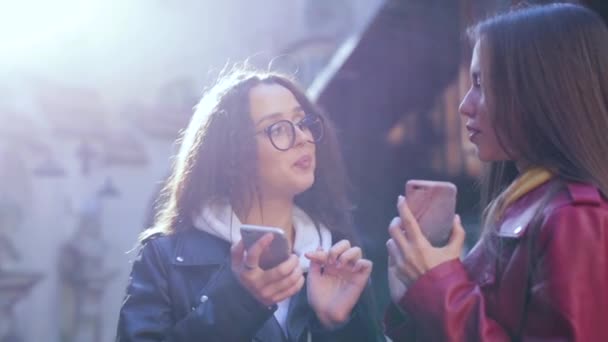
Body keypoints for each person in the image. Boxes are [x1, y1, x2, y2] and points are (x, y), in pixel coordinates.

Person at [384, 3, 608, 341]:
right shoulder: (525, 202)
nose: (464, 105)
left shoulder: (575, 218)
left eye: (480, 83)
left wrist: (437, 283)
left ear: (540, 91)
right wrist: (412, 292)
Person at [116, 66, 384, 341]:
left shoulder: (338, 256)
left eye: (302, 122)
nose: (303, 137)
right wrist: (239, 303)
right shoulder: (166, 258)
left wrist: (337, 326)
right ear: (233, 153)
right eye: (279, 129)